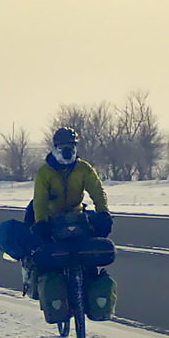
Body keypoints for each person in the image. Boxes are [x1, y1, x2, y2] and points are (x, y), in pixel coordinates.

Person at [20, 126, 112, 297]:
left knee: (91, 241)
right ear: (55, 148)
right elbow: (39, 199)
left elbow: (97, 190)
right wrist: (40, 221)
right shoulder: (45, 172)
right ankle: (30, 269)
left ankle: (88, 284)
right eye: (63, 148)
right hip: (51, 218)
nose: (68, 152)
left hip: (76, 216)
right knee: (36, 237)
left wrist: (104, 213)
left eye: (71, 147)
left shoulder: (83, 168)